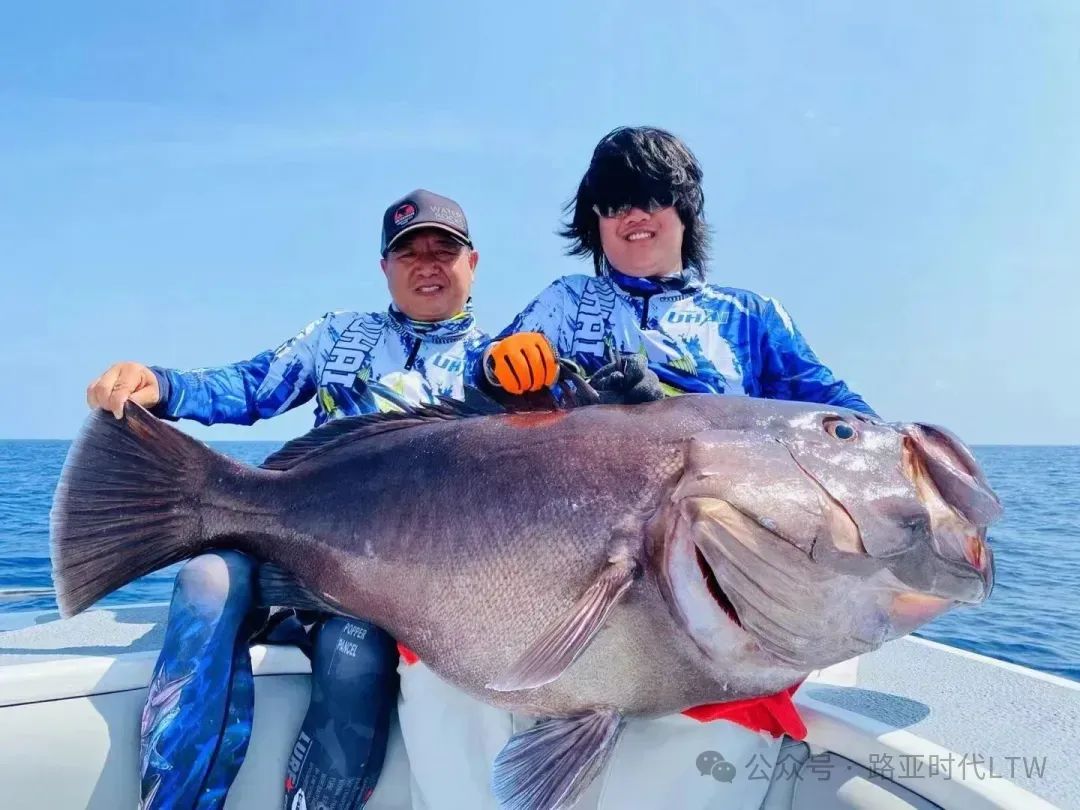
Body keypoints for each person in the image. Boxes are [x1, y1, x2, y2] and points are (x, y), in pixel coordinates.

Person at [398, 126, 877, 810]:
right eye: (615, 202)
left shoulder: (750, 318)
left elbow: (853, 431)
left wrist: (676, 407)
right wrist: (496, 371)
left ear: (686, 209)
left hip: (708, 606)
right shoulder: (563, 303)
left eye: (653, 197)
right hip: (548, 578)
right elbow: (474, 404)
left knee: (705, 732)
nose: (634, 216)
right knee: (444, 668)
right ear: (593, 222)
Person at [86, 189, 488, 810]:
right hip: (288, 543)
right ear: (385, 267)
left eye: (444, 249)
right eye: (408, 252)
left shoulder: (501, 364)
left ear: (473, 263)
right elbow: (252, 386)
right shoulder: (337, 336)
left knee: (350, 650)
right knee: (206, 582)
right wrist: (161, 385)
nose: (427, 264)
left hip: (386, 585)